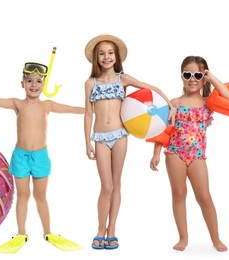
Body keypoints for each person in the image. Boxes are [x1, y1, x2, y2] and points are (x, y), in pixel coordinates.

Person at [0, 62, 84, 253]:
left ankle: (48, 232)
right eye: (29, 81)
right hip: (20, 157)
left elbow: (72, 109)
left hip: (40, 157)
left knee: (40, 196)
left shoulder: (48, 105)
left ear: (44, 84)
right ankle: (21, 233)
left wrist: (97, 110)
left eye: (38, 81)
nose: (34, 85)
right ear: (22, 83)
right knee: (22, 195)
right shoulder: (17, 103)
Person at [84, 34, 173, 250]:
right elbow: (88, 114)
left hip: (120, 135)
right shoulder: (90, 83)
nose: (106, 57)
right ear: (96, 57)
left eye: (110, 53)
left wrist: (170, 105)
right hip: (101, 137)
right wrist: (87, 142)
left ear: (117, 56)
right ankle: (99, 229)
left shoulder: (123, 79)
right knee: (106, 186)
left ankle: (111, 230)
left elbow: (152, 89)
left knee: (116, 183)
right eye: (102, 53)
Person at [149, 55, 229, 252]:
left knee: (204, 197)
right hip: (175, 152)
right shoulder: (174, 102)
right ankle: (183, 237)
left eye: (197, 75)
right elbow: (163, 128)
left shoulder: (208, 102)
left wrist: (212, 78)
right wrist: (156, 153)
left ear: (203, 78)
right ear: (182, 77)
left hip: (197, 155)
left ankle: (216, 238)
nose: (192, 79)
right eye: (187, 74)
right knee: (178, 195)